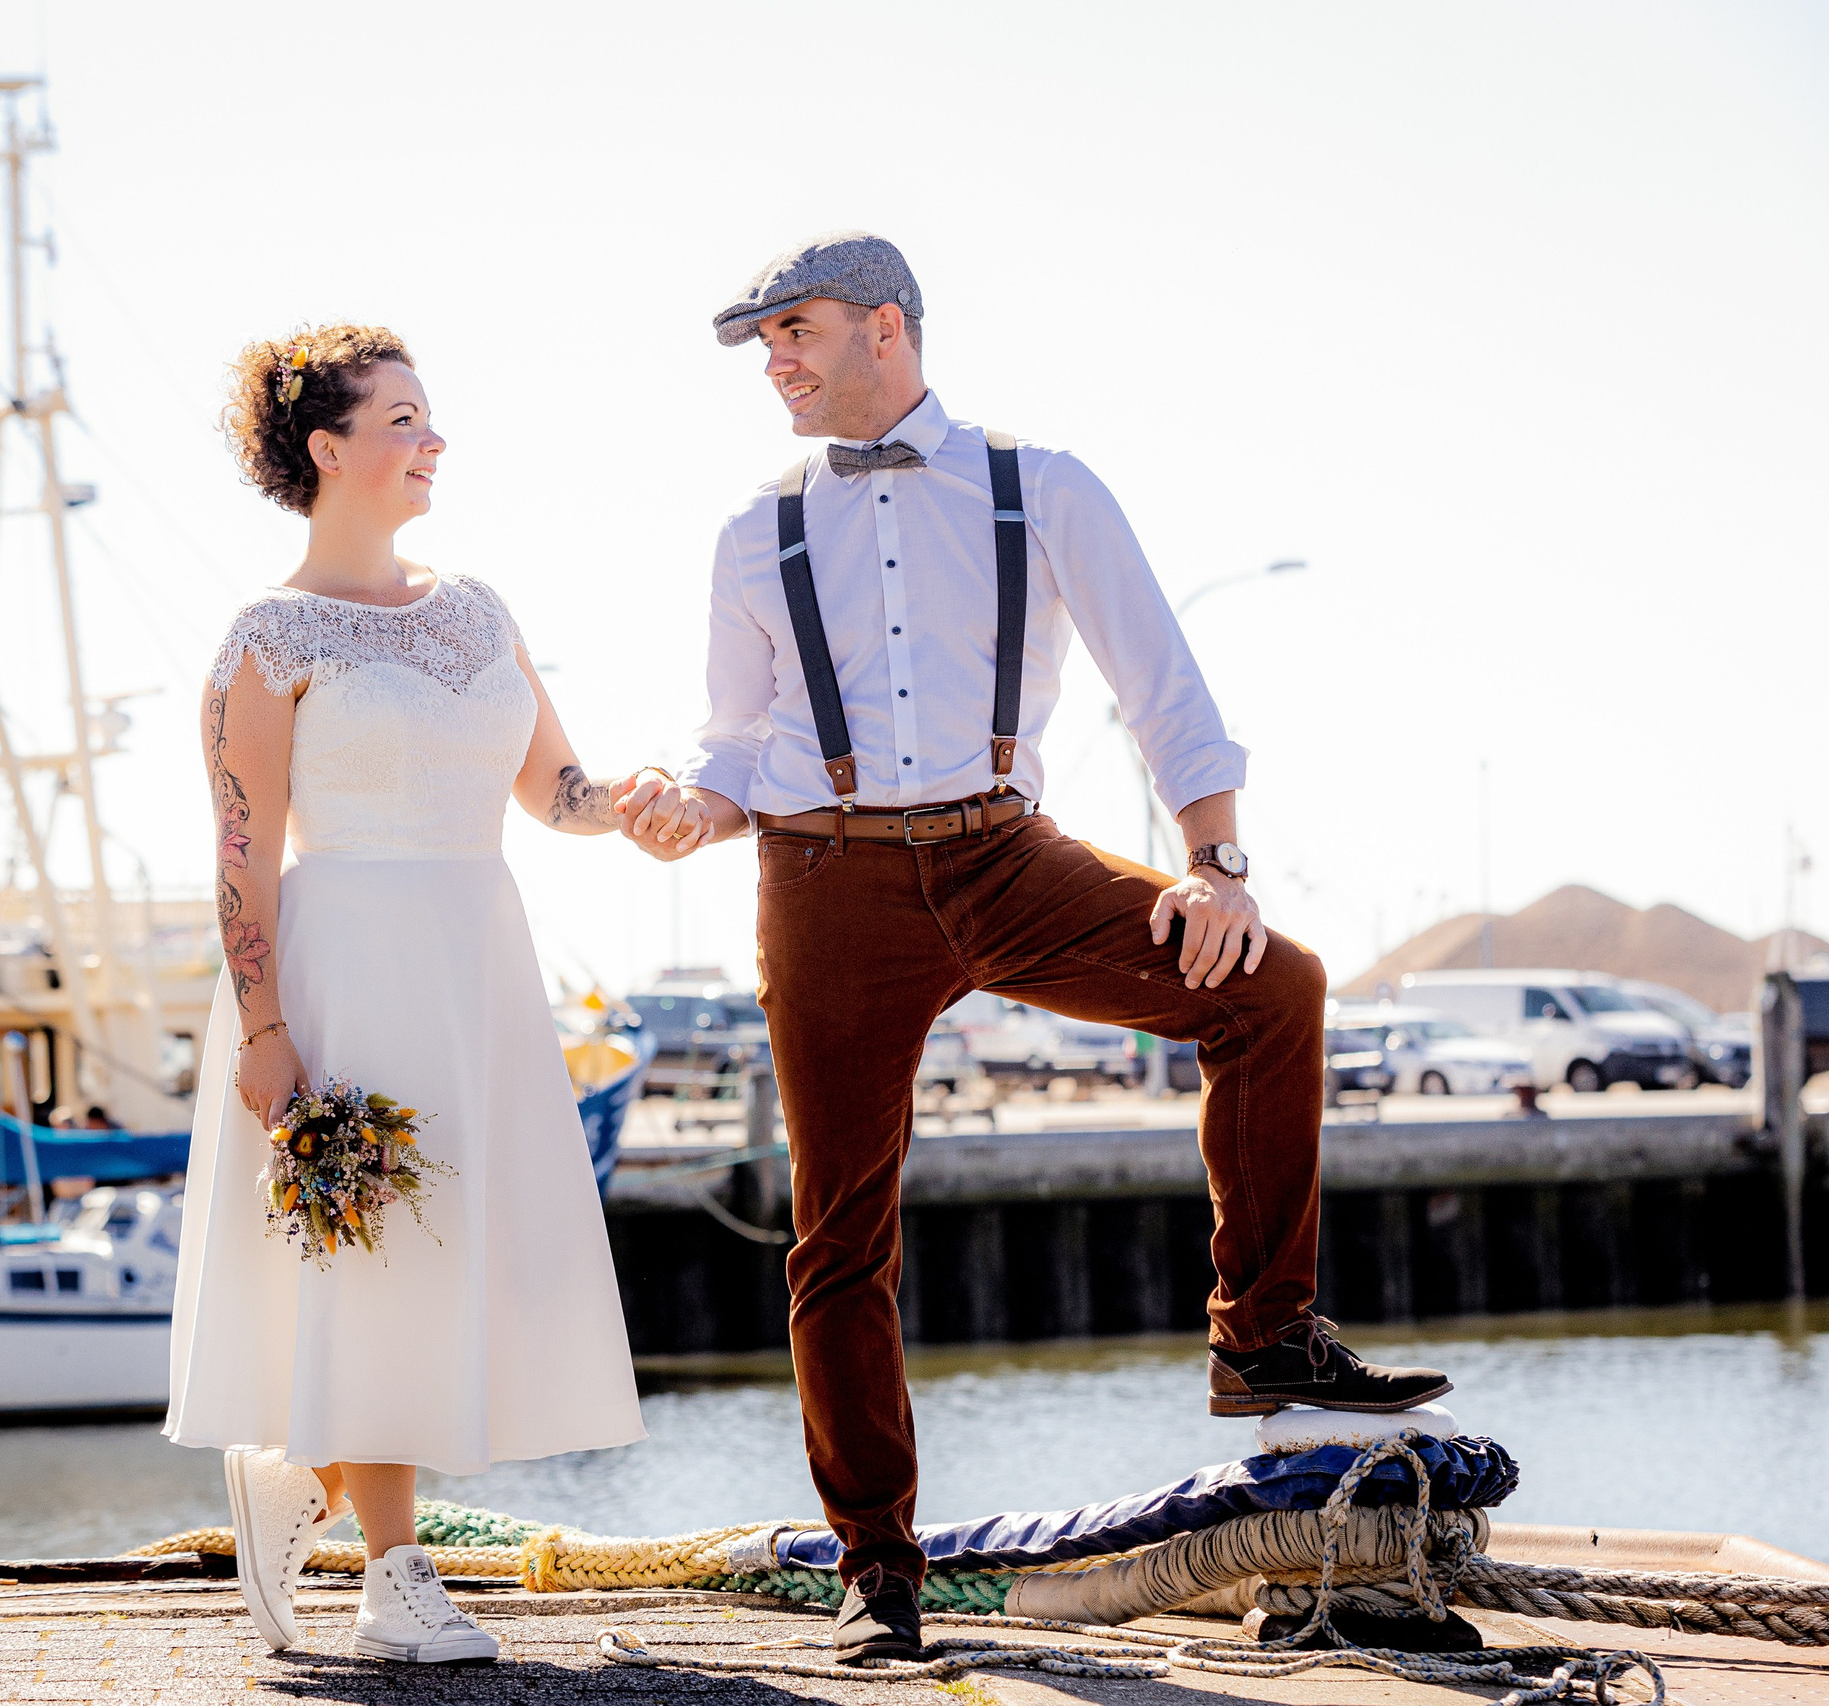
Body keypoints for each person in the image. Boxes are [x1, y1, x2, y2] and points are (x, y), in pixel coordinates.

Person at [615, 233, 1452, 1663]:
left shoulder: (1040, 486)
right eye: (762, 341)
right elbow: (735, 742)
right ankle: (879, 1567)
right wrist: (689, 808)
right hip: (825, 881)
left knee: (1277, 989)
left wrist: (1217, 863)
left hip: (1009, 853)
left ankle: (1262, 1335)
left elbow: (1160, 683)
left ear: (889, 326)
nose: (776, 360)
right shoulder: (751, 529)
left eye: (795, 330)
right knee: (838, 1232)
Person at [165, 323, 649, 1662]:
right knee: (378, 1259)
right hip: (347, 964)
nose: (434, 441)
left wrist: (648, 805)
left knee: (453, 1259)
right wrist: (264, 1030)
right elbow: (240, 853)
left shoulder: (480, 610)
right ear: (329, 449)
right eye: (405, 419)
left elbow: (558, 789)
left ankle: (300, 1482)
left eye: (432, 419)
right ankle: (393, 1572)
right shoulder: (265, 639)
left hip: (477, 958)